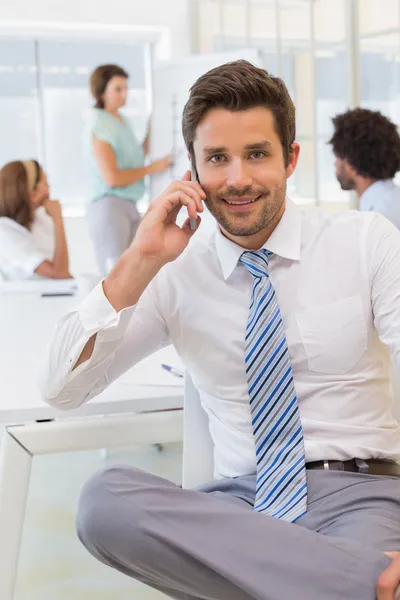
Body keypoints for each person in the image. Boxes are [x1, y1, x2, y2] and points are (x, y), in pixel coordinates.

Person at [42, 61, 400, 599]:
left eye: (257, 154)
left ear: (291, 159)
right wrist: (138, 260)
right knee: (103, 502)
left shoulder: (365, 240)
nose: (237, 179)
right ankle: (360, 583)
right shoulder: (172, 270)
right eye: (216, 159)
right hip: (237, 511)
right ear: (192, 168)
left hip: (358, 493)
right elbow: (60, 392)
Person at [85, 63, 172, 274]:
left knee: (136, 269)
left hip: (128, 205)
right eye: (118, 89)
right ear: (101, 91)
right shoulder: (100, 125)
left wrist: (154, 129)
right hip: (109, 206)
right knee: (117, 273)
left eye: (126, 88)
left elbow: (135, 158)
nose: (124, 94)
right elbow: (112, 178)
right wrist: (153, 168)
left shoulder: (121, 121)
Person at [329, 107, 400, 228]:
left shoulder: (376, 223)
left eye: (337, 156)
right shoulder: (392, 201)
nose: (334, 163)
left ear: (350, 164)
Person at [0, 160, 71, 280]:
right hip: (27, 297)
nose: (49, 190)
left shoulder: (39, 219)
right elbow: (59, 273)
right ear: (32, 192)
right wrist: (58, 219)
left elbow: (64, 273)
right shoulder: (4, 231)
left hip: (55, 293)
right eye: (45, 184)